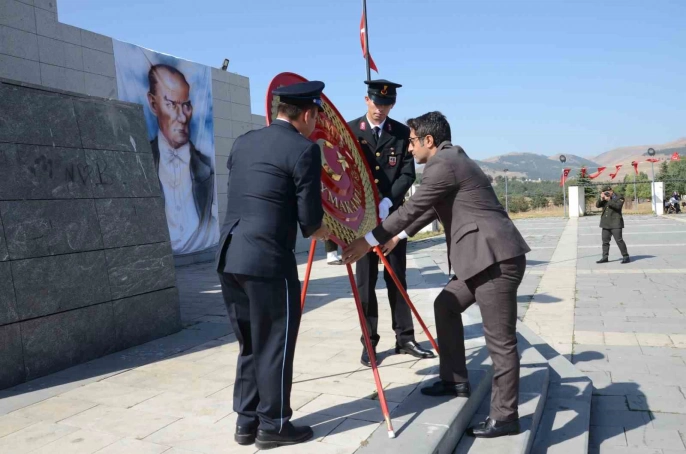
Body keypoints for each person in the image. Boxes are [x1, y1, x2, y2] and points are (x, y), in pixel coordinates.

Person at [343, 111, 531, 438]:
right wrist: (397, 236)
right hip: (480, 259)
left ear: (429, 140)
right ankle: (454, 379)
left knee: (500, 342)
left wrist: (367, 240)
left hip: (494, 260)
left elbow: (412, 208)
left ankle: (505, 416)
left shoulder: (442, 164)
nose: (409, 148)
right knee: (446, 305)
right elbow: (430, 208)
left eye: (412, 141)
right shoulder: (450, 160)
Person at [215, 81, 330, 450]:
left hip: (230, 256)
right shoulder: (304, 149)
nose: (315, 124)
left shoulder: (243, 142)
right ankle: (275, 424)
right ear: (307, 114)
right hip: (268, 261)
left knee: (250, 343)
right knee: (274, 344)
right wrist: (333, 231)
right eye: (316, 117)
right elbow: (310, 221)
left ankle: (246, 422)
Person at [347, 79, 435, 367]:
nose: (380, 109)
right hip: (362, 222)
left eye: (386, 104)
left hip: (391, 219)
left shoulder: (401, 133)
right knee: (365, 284)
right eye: (376, 103)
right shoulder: (350, 131)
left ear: (393, 105)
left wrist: (387, 201)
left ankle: (405, 338)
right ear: (367, 100)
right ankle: (369, 343)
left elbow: (407, 173)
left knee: (397, 279)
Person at [147, 64, 218, 254]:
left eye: (186, 105)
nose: (182, 117)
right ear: (153, 104)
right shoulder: (141, 164)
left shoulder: (207, 166)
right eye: (171, 104)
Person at [596, 185, 630, 264]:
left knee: (619, 240)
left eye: (609, 192)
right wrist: (601, 198)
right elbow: (597, 205)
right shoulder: (605, 198)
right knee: (605, 242)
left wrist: (609, 200)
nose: (608, 193)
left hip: (616, 223)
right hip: (605, 223)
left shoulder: (619, 197)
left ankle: (625, 256)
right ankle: (605, 257)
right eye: (606, 192)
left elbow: (618, 207)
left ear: (612, 191)